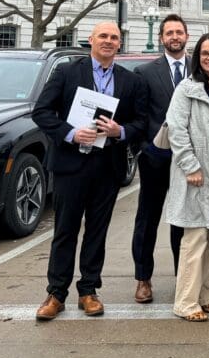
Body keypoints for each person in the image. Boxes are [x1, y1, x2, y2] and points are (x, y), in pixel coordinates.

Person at [33, 22, 149, 321]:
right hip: (70, 164)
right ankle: (56, 293)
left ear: (119, 43)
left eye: (114, 38)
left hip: (107, 165)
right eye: (103, 36)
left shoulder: (130, 80)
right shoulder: (67, 72)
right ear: (91, 40)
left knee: (97, 231)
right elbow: (42, 112)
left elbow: (141, 122)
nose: (108, 41)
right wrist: (71, 133)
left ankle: (88, 290)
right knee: (65, 230)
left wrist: (120, 131)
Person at [164, 32, 209, 321]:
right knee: (194, 237)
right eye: (205, 53)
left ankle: (205, 291)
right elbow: (176, 129)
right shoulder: (187, 88)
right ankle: (185, 300)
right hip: (196, 172)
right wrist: (190, 165)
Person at [131, 14, 190, 304]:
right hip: (155, 158)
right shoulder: (145, 72)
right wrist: (142, 149)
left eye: (179, 32)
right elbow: (137, 115)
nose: (175, 37)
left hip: (189, 160)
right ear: (162, 37)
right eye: (170, 32)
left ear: (186, 36)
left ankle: (184, 278)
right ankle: (143, 278)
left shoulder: (200, 68)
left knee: (183, 221)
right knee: (148, 219)